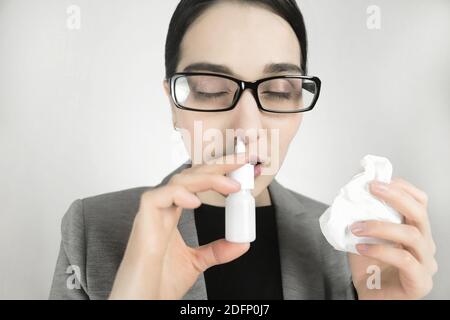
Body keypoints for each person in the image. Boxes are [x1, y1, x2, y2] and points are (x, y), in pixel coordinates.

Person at [49, 0, 437, 300]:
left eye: (278, 91)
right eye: (210, 90)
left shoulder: (349, 247)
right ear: (173, 103)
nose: (247, 130)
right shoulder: (92, 228)